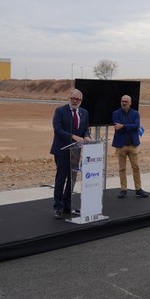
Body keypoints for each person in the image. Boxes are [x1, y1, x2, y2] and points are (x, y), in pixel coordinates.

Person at [50, 89, 91, 218]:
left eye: (77, 99)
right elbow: (57, 130)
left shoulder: (84, 112)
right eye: (73, 98)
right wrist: (73, 136)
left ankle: (67, 206)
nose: (74, 101)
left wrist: (87, 136)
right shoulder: (60, 111)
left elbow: (85, 129)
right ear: (69, 98)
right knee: (61, 179)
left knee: (72, 179)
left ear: (81, 101)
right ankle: (57, 207)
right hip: (62, 150)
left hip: (76, 151)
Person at [112, 95, 148, 198]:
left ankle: (138, 189)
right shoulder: (115, 113)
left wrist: (123, 125)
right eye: (122, 101)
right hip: (120, 145)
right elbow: (117, 128)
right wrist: (129, 126)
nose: (124, 103)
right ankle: (123, 189)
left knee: (136, 167)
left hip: (133, 145)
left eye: (126, 101)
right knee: (122, 168)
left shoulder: (136, 114)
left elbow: (136, 126)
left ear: (130, 103)